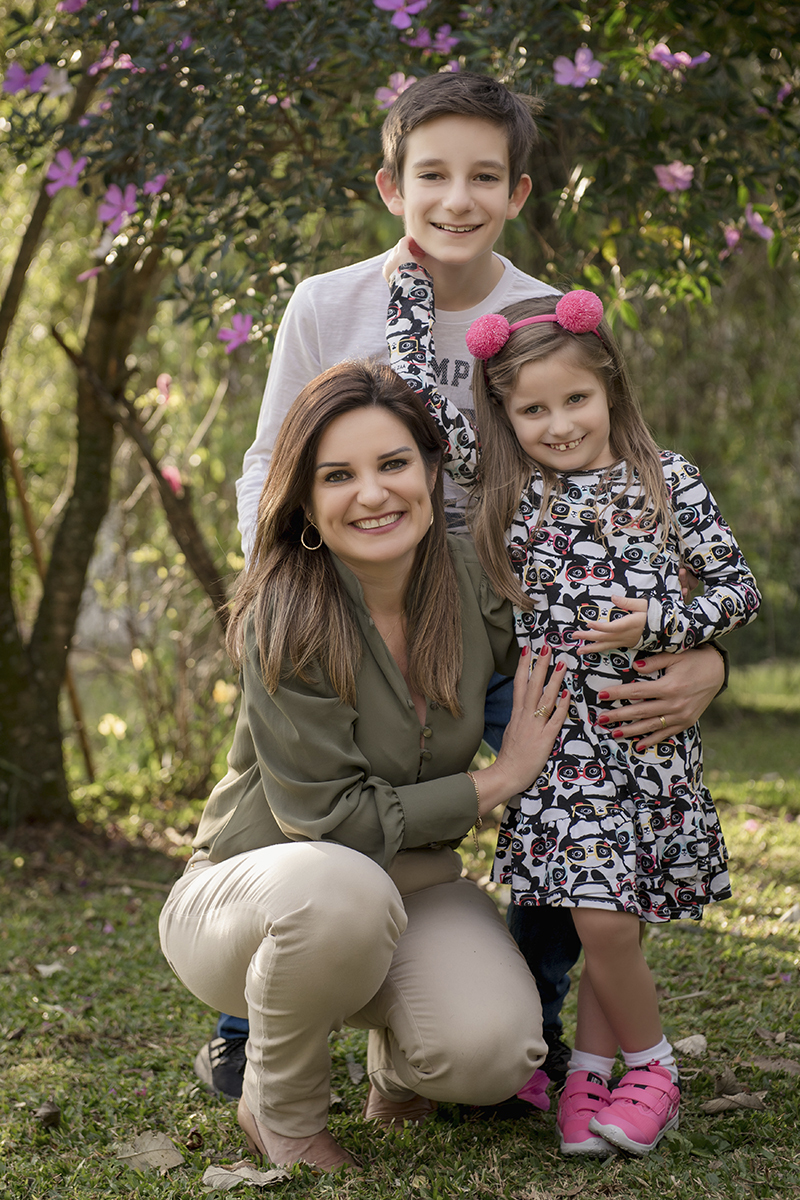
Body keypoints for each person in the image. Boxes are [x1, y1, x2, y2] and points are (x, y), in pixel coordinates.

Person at [198, 69, 726, 1102]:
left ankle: (529, 1001)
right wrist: (289, 591)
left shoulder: (543, 316)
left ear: (517, 193)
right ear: (389, 186)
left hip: (515, 614)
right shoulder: (327, 305)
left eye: (483, 176)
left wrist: (698, 645)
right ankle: (245, 1014)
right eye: (430, 174)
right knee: (305, 785)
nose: (456, 198)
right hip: (352, 602)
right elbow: (270, 462)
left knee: (564, 795)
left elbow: (611, 473)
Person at [383, 250, 760, 1156]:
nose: (557, 424)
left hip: (648, 737)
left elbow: (739, 593)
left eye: (575, 401)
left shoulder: (671, 480)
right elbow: (422, 403)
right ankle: (657, 1066)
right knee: (598, 914)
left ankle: (593, 1078)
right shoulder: (510, 491)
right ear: (506, 416)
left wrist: (663, 626)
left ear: (611, 390)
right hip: (561, 739)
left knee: (616, 913)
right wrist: (410, 295)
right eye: (532, 408)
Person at [160, 362, 573, 1171]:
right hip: (254, 906)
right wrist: (497, 780)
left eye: (392, 464)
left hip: (412, 890)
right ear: (306, 502)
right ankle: (279, 1108)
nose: (374, 494)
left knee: (492, 1055)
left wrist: (703, 665)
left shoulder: (477, 578)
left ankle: (403, 1069)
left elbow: (586, 644)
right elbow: (331, 822)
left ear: (429, 468)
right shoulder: (285, 610)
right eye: (338, 475)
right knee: (340, 888)